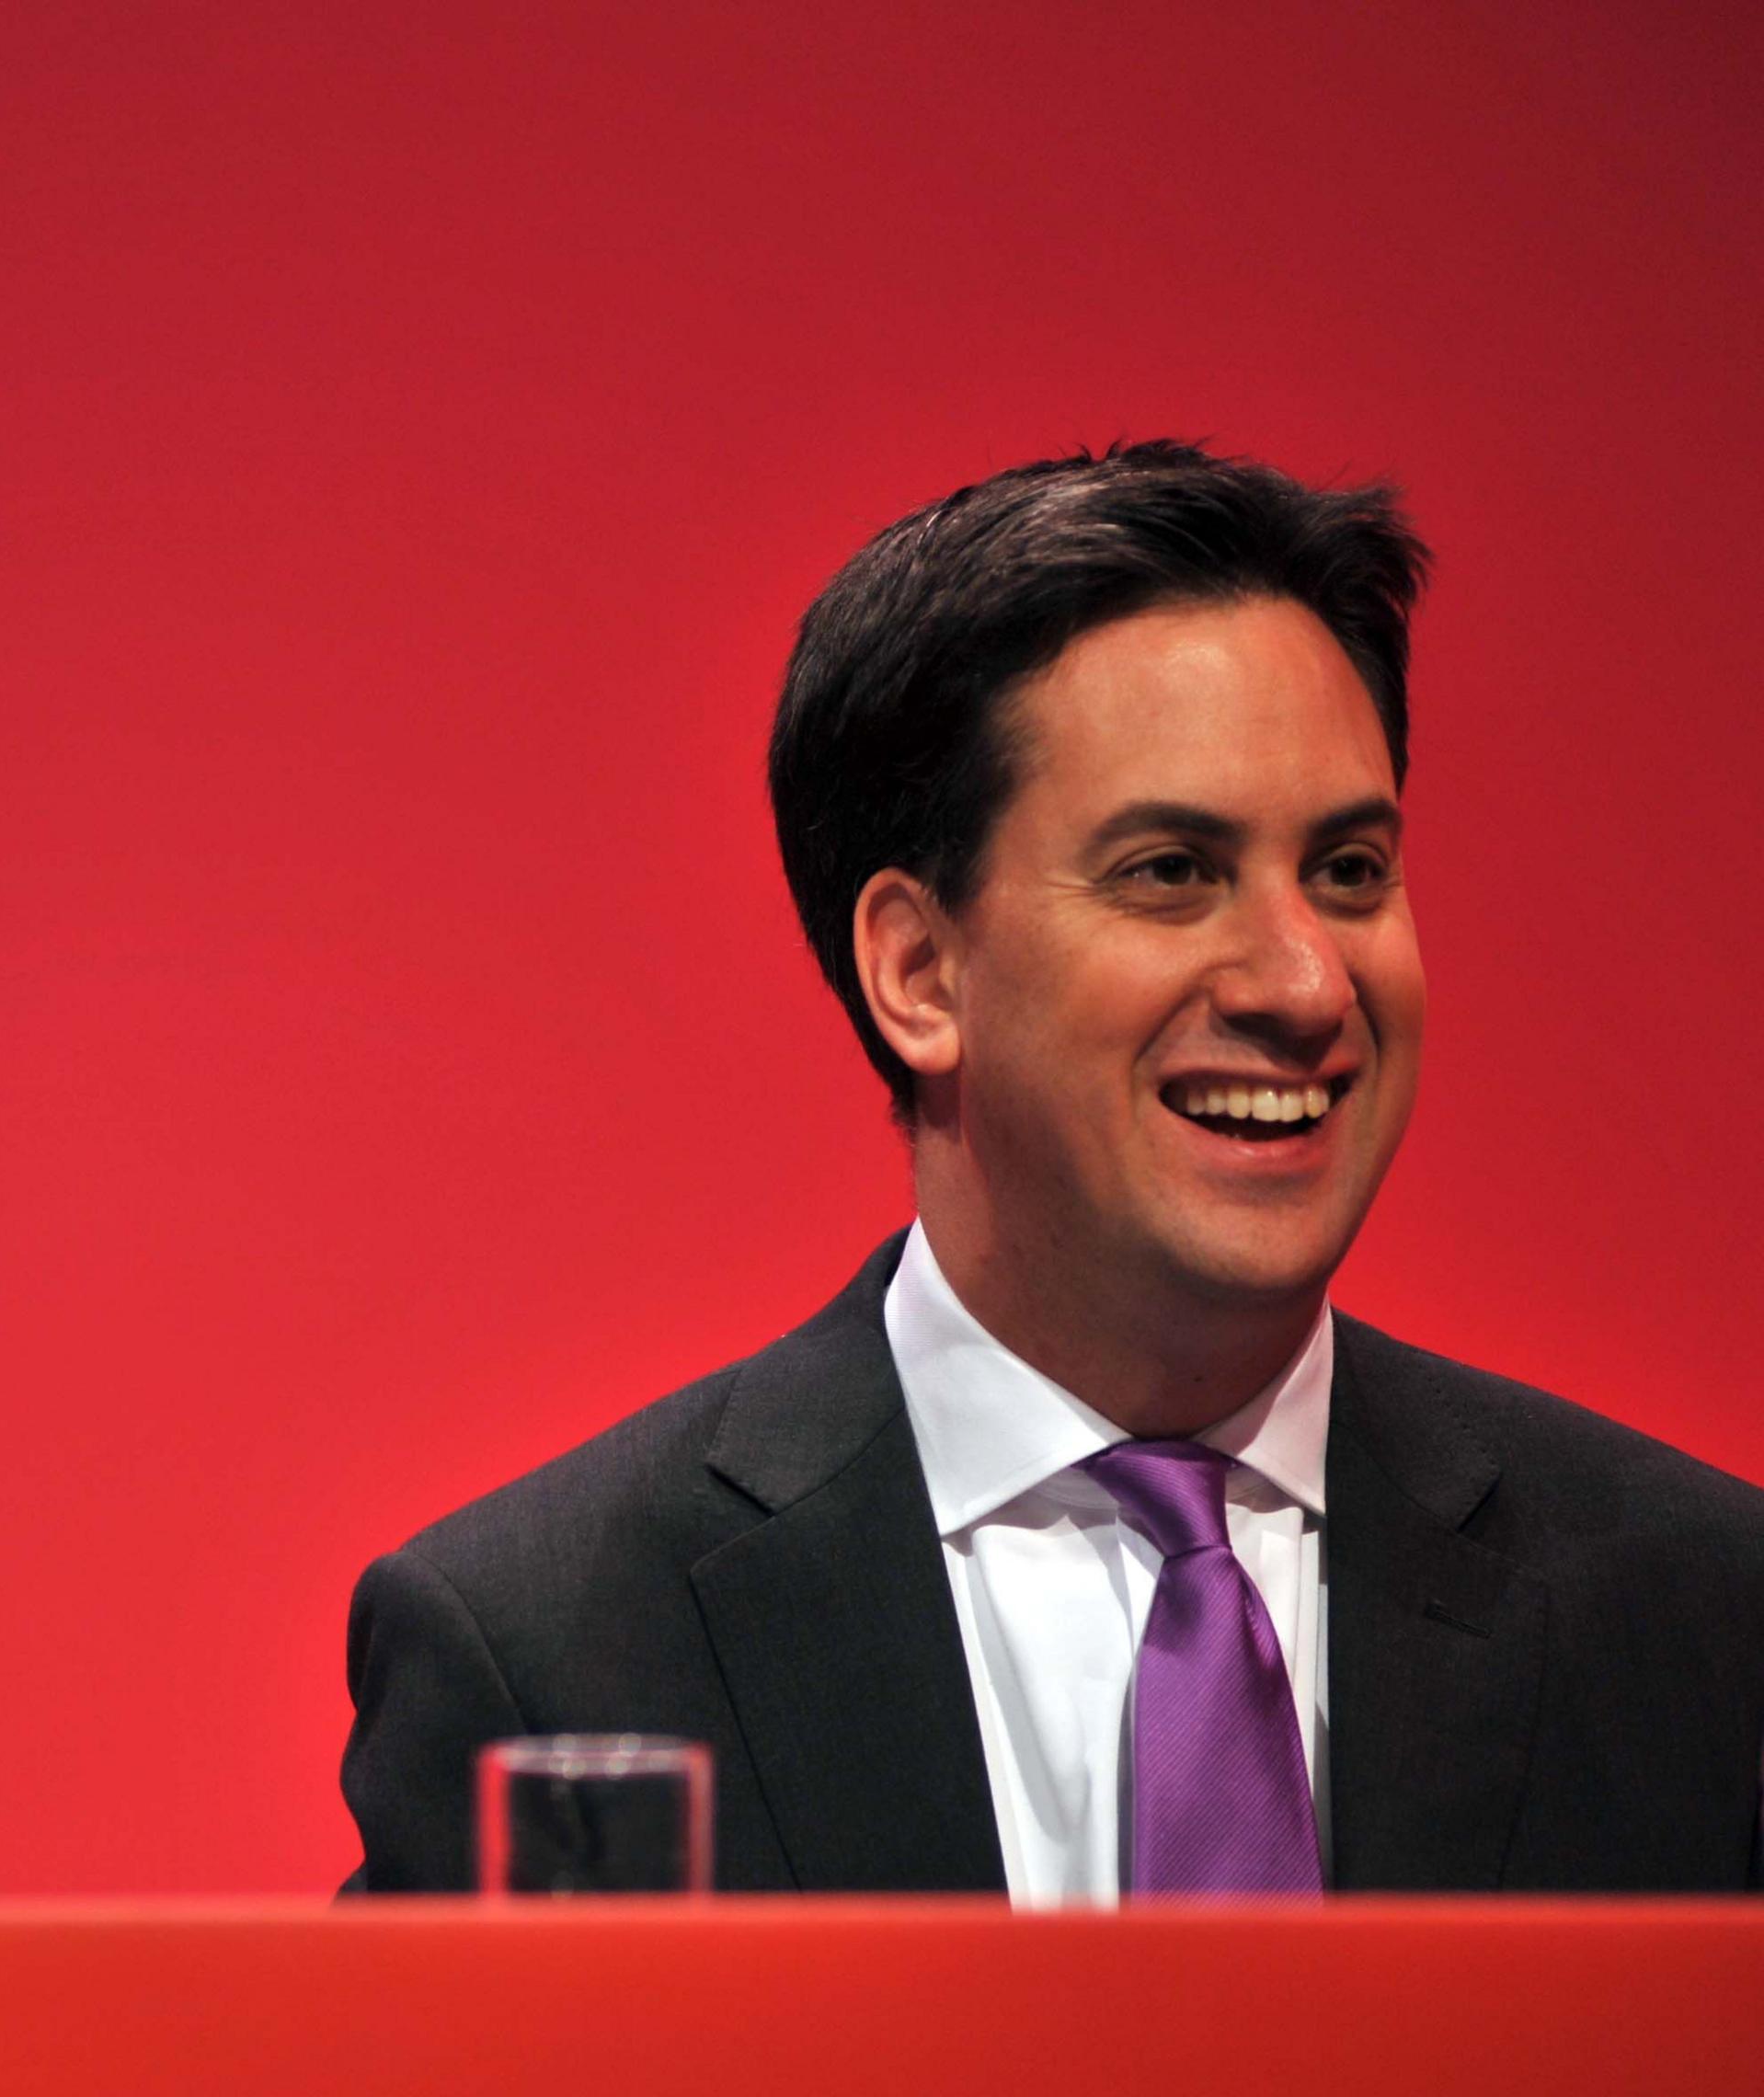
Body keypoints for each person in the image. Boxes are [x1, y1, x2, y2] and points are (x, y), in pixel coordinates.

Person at [342, 443, 1764, 1900]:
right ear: (918, 971)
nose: (1306, 982)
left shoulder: (1706, 1623)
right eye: (1171, 871)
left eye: (1348, 871)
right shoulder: (551, 1651)